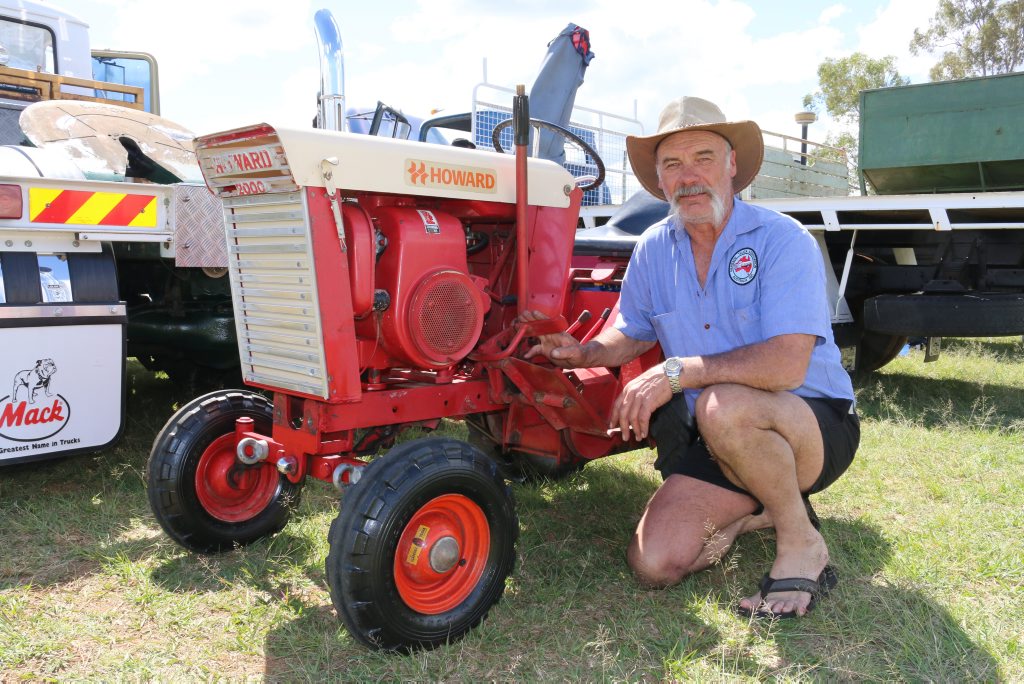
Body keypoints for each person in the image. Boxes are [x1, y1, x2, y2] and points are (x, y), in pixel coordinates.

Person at [522, 96, 859, 619]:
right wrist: (582, 351)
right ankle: (762, 508)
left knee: (722, 404)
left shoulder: (781, 240)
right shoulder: (654, 246)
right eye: (673, 165)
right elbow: (630, 333)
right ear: (659, 181)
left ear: (732, 167)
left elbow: (788, 365)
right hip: (718, 428)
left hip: (809, 422)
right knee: (654, 562)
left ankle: (801, 540)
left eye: (703, 157)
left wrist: (679, 371)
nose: (689, 176)